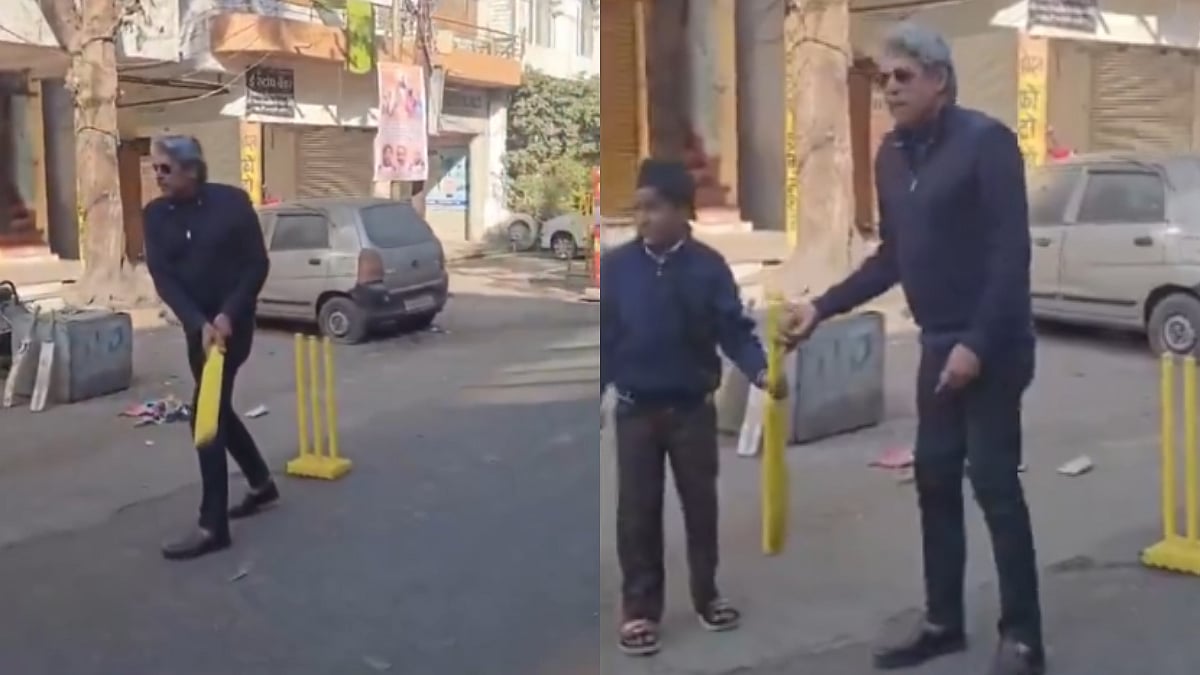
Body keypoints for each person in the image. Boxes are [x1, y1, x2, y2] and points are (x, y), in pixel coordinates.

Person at [779, 23, 1044, 675]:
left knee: (993, 484)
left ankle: (1024, 638)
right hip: (938, 345)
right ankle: (942, 621)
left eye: (902, 76)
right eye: (882, 77)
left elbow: (1011, 258)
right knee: (933, 480)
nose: (889, 88)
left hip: (995, 344)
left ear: (940, 81)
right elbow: (893, 256)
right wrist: (821, 306)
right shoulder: (892, 156)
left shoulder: (988, 145)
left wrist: (978, 344)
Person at [600, 159, 784, 657]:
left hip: (691, 410)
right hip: (635, 411)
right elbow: (606, 339)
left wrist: (762, 372)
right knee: (637, 514)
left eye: (653, 208)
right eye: (637, 209)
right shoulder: (617, 269)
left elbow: (733, 331)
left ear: (683, 211)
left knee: (700, 508)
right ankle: (639, 611)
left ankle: (707, 595)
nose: (643, 219)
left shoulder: (708, 268)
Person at [143, 135, 279, 561]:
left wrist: (226, 316)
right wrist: (197, 323)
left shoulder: (232, 203)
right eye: (155, 169)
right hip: (197, 331)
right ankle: (261, 484)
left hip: (232, 328)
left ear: (191, 169)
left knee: (205, 419)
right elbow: (163, 276)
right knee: (215, 409)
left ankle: (212, 525)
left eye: (165, 168)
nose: (158, 176)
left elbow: (257, 264)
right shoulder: (155, 215)